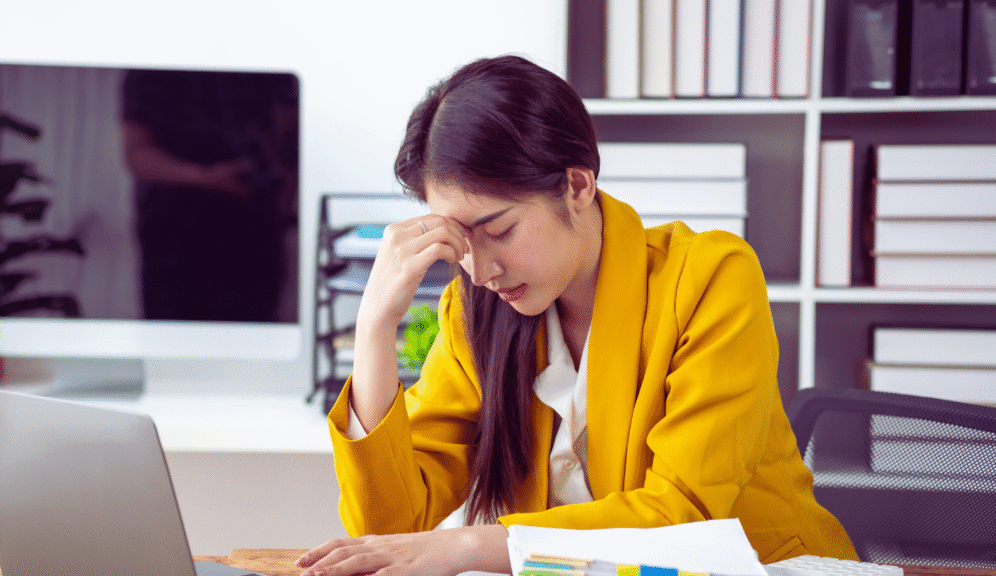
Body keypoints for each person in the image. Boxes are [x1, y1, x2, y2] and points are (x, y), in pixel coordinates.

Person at [296, 55, 858, 576]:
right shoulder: (475, 311)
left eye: (498, 231)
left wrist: (472, 543)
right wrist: (374, 328)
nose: (480, 269)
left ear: (577, 185)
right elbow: (388, 529)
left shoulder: (711, 278)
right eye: (458, 241)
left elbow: (685, 517)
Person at [121, 69, 298, 322]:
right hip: (176, 239)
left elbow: (291, 136)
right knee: (175, 344)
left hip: (255, 233)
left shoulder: (271, 68)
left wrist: (284, 197)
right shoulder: (151, 72)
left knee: (255, 343)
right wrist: (206, 177)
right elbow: (136, 153)